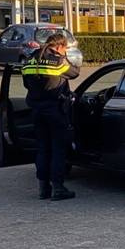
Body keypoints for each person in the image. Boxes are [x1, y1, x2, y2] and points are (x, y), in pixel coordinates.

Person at [21, 33, 80, 201]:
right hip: (56, 111)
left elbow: (26, 83)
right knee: (58, 149)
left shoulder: (30, 58)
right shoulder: (58, 61)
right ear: (61, 46)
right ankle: (58, 188)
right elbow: (75, 73)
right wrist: (65, 58)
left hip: (36, 111)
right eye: (66, 48)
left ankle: (43, 188)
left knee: (42, 148)